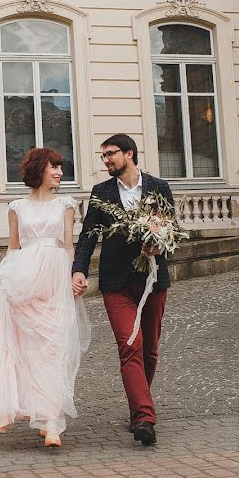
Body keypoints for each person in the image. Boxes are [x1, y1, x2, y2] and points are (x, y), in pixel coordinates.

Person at [0, 147, 90, 447]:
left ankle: (52, 422)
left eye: (61, 168)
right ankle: (41, 415)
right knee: (28, 347)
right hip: (24, 278)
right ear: (38, 170)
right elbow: (13, 246)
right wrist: (5, 281)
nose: (59, 172)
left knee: (53, 348)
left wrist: (75, 276)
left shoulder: (66, 205)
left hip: (56, 278)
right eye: (54, 167)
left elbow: (69, 245)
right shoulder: (16, 206)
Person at [71, 133, 175, 446]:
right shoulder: (101, 192)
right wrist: (79, 269)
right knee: (130, 345)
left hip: (154, 279)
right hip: (116, 282)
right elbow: (89, 234)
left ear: (129, 154)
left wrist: (158, 247)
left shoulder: (159, 187)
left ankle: (137, 407)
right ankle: (144, 417)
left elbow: (172, 229)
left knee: (149, 349)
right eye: (103, 156)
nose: (106, 161)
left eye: (111, 154)